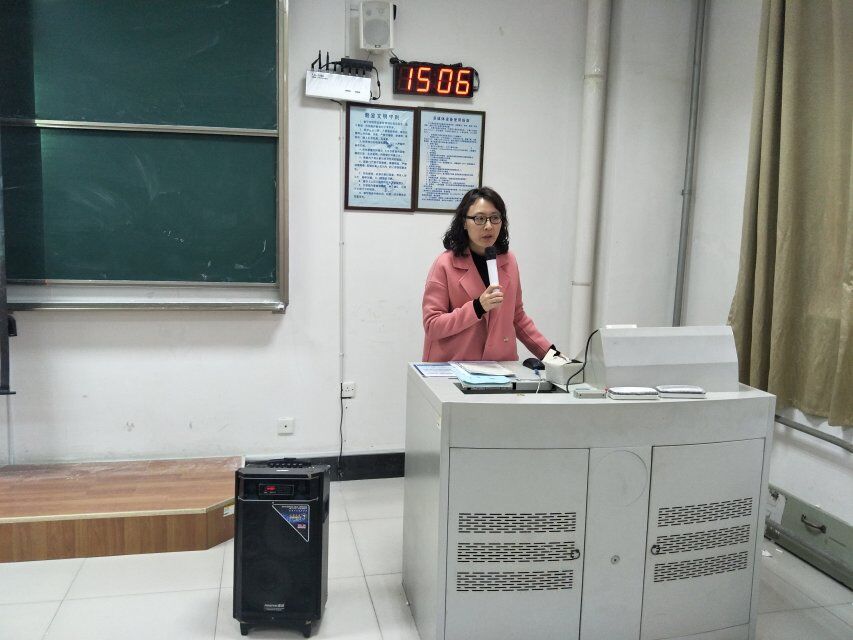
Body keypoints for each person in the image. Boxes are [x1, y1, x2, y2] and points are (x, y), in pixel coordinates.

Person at [422, 187, 555, 362]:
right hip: (453, 365)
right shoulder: (444, 264)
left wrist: (553, 357)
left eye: (495, 218)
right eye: (479, 218)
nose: (488, 226)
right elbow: (432, 325)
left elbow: (517, 317)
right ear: (464, 222)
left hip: (499, 366)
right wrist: (477, 307)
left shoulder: (509, 261)